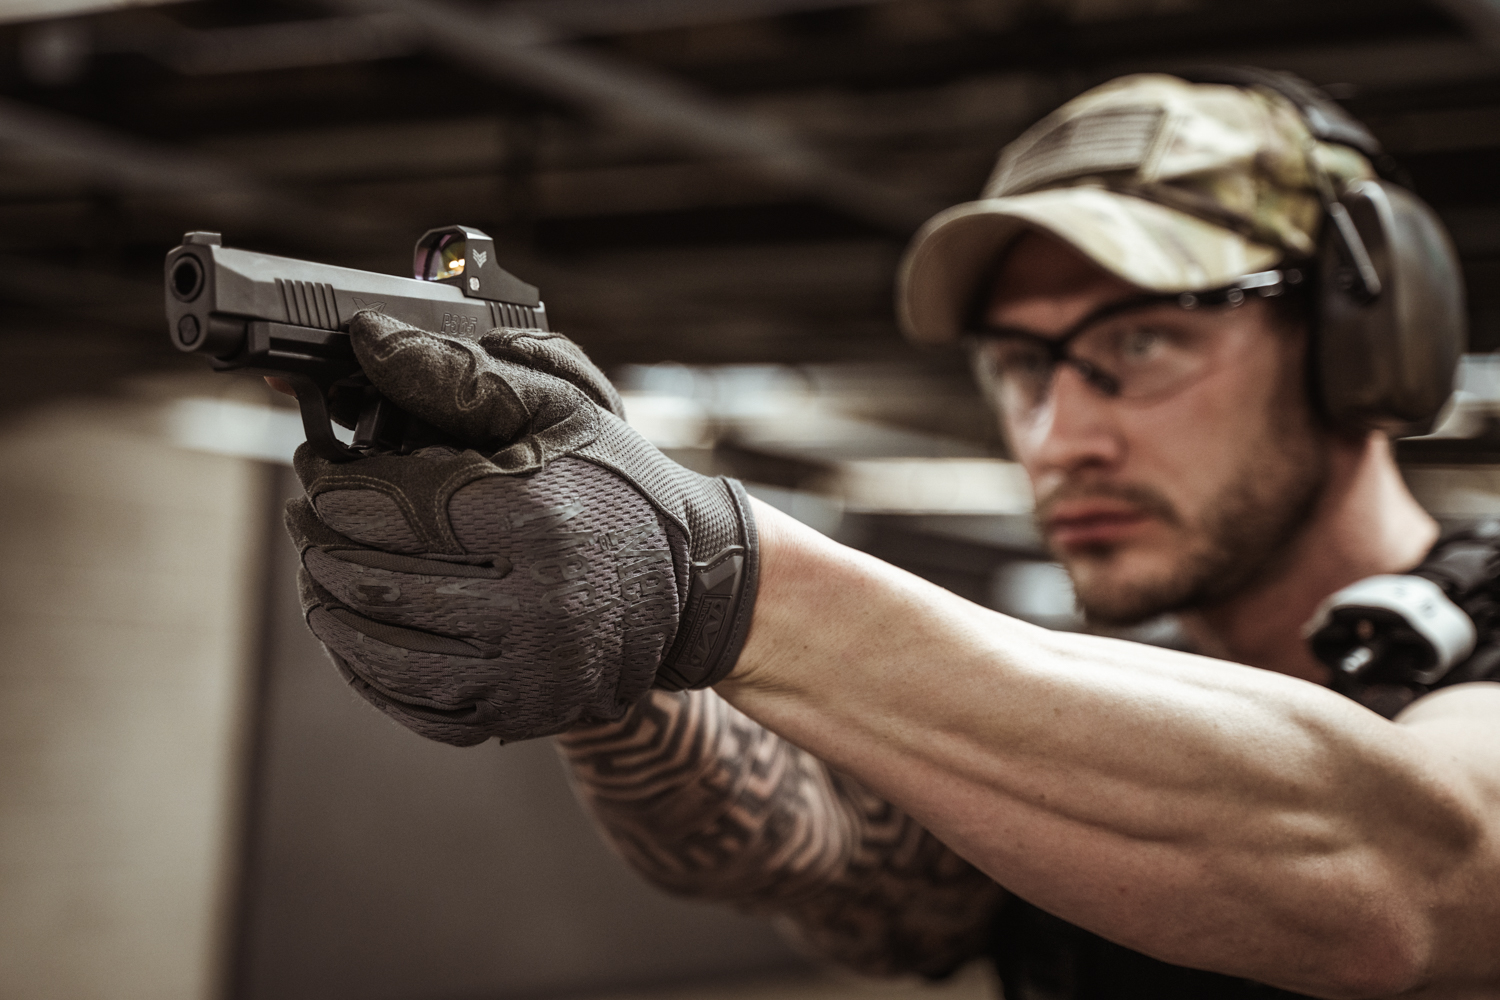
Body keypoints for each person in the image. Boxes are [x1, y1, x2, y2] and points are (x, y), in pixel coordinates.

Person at [281, 73, 1500, 999]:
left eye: (1140, 341)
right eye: (1021, 364)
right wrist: (607, 611)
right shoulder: (1086, 715)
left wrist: (723, 574)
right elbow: (825, 858)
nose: (1059, 434)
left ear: (1361, 343)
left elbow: (1412, 874)